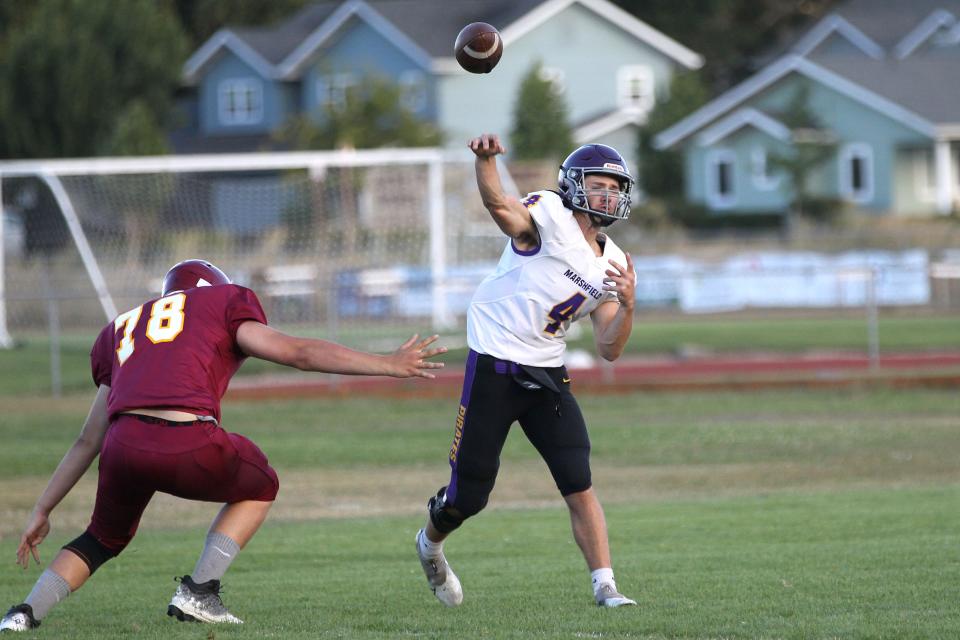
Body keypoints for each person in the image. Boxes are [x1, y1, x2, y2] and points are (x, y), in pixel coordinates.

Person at [1, 259, 445, 632]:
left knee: (101, 537)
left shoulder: (123, 329)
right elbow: (298, 353)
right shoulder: (222, 304)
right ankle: (200, 591)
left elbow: (87, 438)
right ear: (216, 290)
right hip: (186, 438)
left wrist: (44, 508)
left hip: (122, 445)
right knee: (260, 482)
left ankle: (22, 615)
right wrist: (387, 364)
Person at [414, 134, 638, 608]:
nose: (609, 196)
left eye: (615, 188)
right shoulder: (550, 215)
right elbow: (502, 209)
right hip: (495, 360)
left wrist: (630, 308)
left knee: (577, 476)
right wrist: (485, 163)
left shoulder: (615, 261)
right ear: (574, 186)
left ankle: (606, 587)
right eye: (599, 186)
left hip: (546, 371)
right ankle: (430, 542)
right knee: (468, 496)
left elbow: (608, 347)